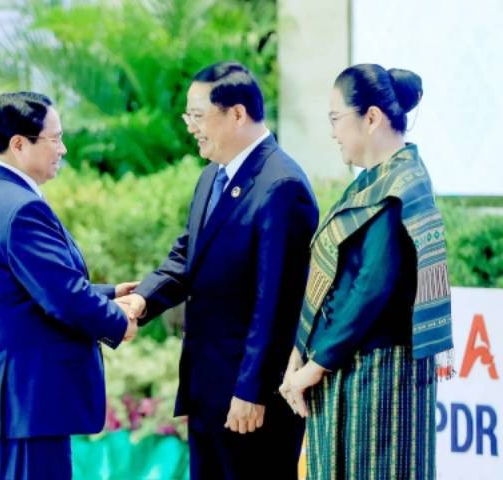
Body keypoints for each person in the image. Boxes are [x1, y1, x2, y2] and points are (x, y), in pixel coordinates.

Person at [119, 62, 318, 479]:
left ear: (237, 114)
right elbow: (187, 255)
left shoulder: (281, 186)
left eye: (197, 115)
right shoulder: (213, 176)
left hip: (250, 402)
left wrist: (251, 390)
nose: (190, 126)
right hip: (209, 390)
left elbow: (276, 304)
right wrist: (141, 299)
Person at [0, 92, 138, 480]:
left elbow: (20, 288)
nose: (63, 149)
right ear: (19, 144)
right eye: (54, 139)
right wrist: (118, 321)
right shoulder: (21, 208)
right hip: (26, 410)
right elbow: (63, 297)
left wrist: (109, 292)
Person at [280, 64, 454, 479]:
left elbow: (370, 288)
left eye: (336, 119)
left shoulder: (401, 187)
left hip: (381, 378)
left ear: (371, 118)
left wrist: (312, 368)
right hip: (351, 370)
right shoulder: (375, 182)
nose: (333, 132)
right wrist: (299, 355)